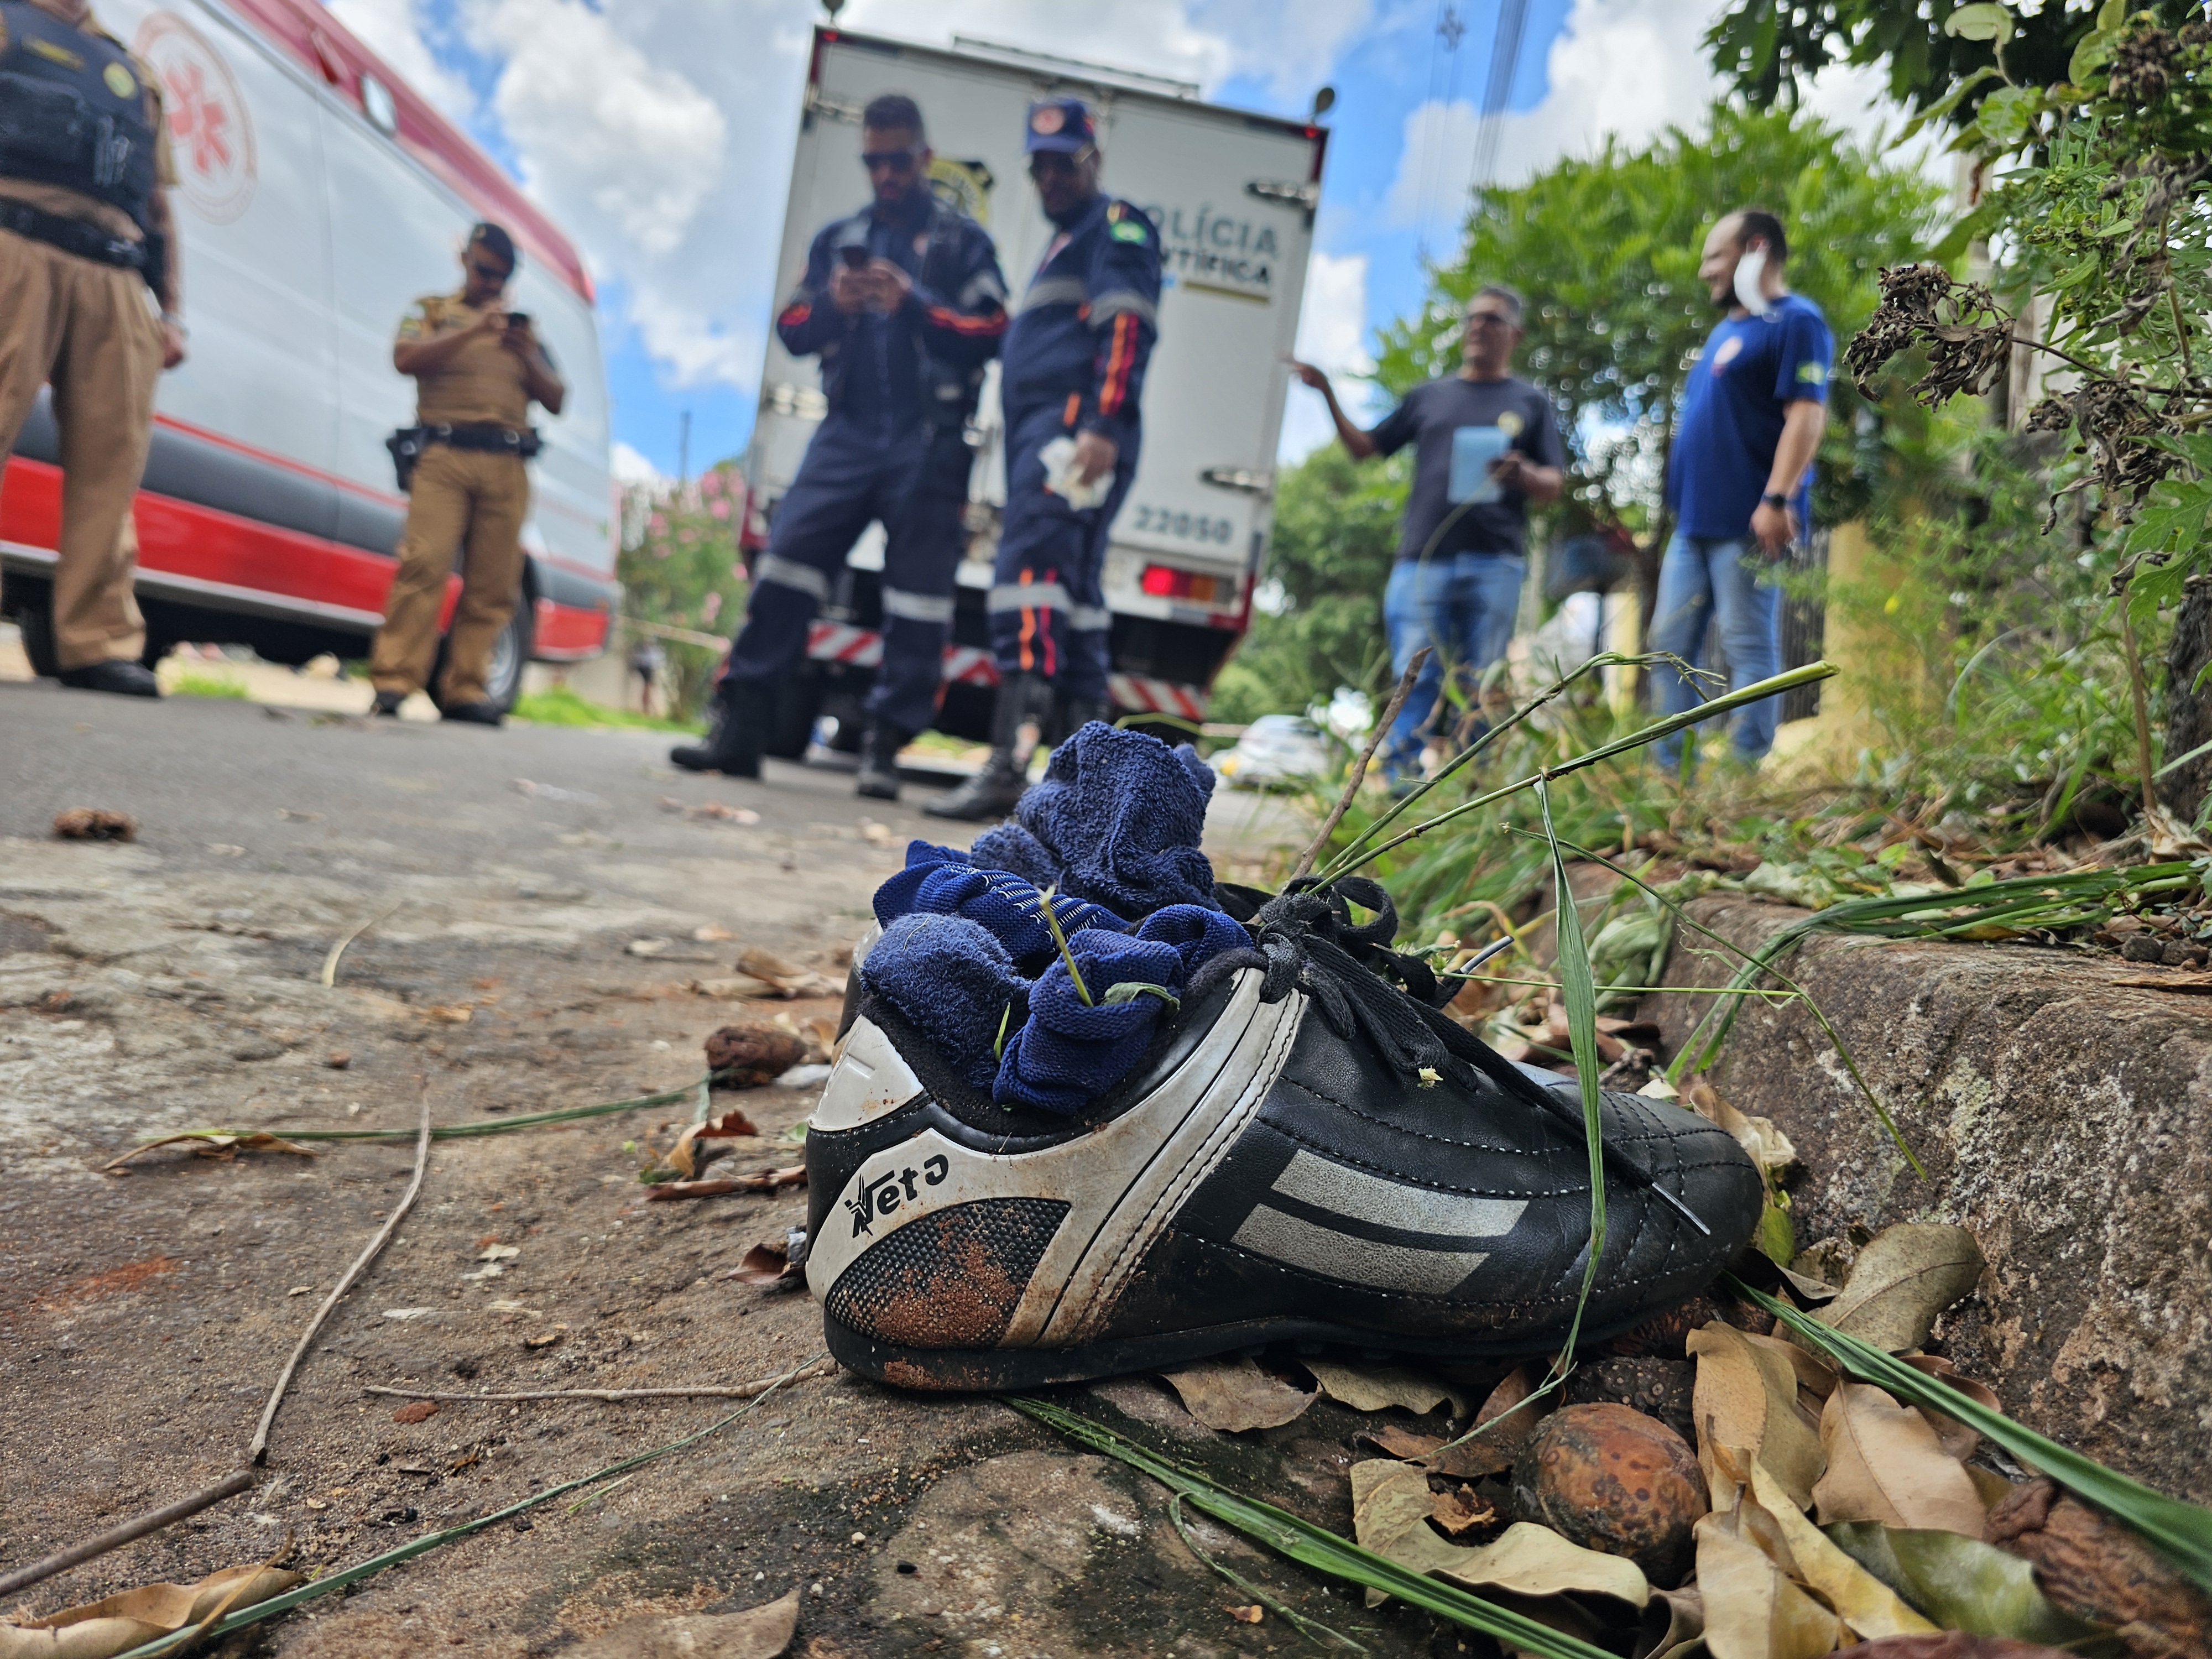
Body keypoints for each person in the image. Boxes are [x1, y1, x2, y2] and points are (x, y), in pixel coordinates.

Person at [672, 93, 1008, 799]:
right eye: (873, 161)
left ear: (923, 157)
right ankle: (738, 732)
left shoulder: (961, 243)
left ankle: (883, 747)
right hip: (847, 430)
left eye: (898, 160)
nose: (885, 175)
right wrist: (836, 303)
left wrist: (914, 301)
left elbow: (994, 329)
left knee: (918, 599)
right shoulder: (839, 238)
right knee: (786, 567)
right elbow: (793, 327)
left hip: (930, 438)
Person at [925, 97, 1161, 822]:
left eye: (1064, 163)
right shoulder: (1066, 241)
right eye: (1040, 166)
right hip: (1057, 432)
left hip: (1070, 433)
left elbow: (1126, 326)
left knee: (1026, 576)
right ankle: (1090, 787)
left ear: (1094, 159)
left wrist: (1102, 423)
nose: (1050, 177)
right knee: (1075, 594)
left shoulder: (1113, 226)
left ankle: (1010, 763)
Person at [1292, 286, 1563, 787]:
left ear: (1515, 334)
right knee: (1412, 676)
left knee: (1481, 680)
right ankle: (1396, 788)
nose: (1479, 326)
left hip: (1495, 563)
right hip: (1422, 562)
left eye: (1493, 319)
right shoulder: (1429, 397)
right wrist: (1328, 391)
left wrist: (1523, 472)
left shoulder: (1529, 402)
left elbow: (1554, 484)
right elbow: (1365, 449)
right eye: (1472, 318)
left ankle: (1471, 791)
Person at [0, 0, 187, 697]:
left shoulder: (133, 69)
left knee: (113, 463)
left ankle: (96, 640)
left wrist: (173, 312)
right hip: (13, 239)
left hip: (115, 272)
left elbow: (160, 207)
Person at [1651, 207, 1832, 772]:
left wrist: (1777, 499)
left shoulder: (1796, 321)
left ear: (1755, 249)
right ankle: (1670, 782)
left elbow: (1806, 415)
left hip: (1750, 520)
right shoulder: (1726, 330)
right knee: (1668, 650)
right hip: (1694, 525)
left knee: (1747, 648)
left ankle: (1740, 777)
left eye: (1714, 256)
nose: (1705, 270)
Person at [368, 222, 565, 726]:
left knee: (494, 583)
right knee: (424, 564)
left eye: (500, 277)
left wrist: (525, 355)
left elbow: (557, 397)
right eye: (483, 271)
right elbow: (405, 358)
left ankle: (467, 688)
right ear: (465, 262)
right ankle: (394, 680)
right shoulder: (434, 311)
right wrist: (475, 331)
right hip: (444, 457)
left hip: (508, 464)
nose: (490, 283)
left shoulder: (526, 332)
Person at [629, 635, 665, 718]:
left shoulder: (654, 648)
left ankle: (650, 710)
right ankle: (648, 709)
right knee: (648, 688)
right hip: (645, 667)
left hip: (648, 667)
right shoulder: (644, 648)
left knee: (650, 688)